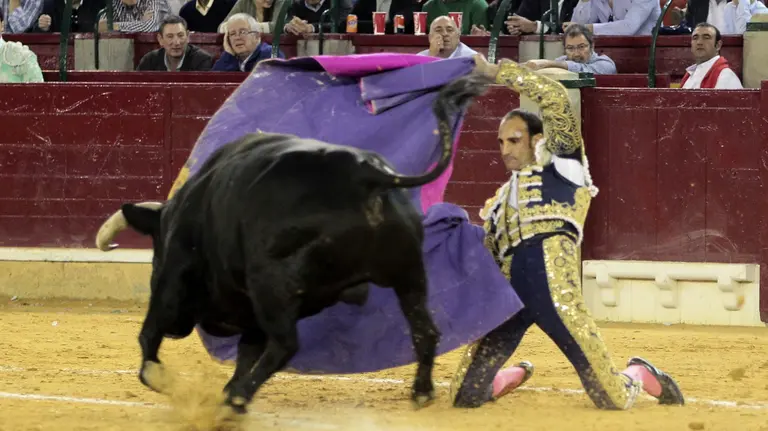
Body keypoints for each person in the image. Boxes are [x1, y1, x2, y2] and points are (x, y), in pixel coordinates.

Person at [449, 53, 686, 410]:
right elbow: (489, 255)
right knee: (464, 396)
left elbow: (556, 99)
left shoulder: (564, 168)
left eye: (514, 140)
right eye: (501, 143)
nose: (505, 150)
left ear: (537, 139)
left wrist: (499, 72)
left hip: (554, 293)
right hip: (509, 299)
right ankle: (510, 375)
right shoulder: (499, 201)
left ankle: (639, 372)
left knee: (612, 397)